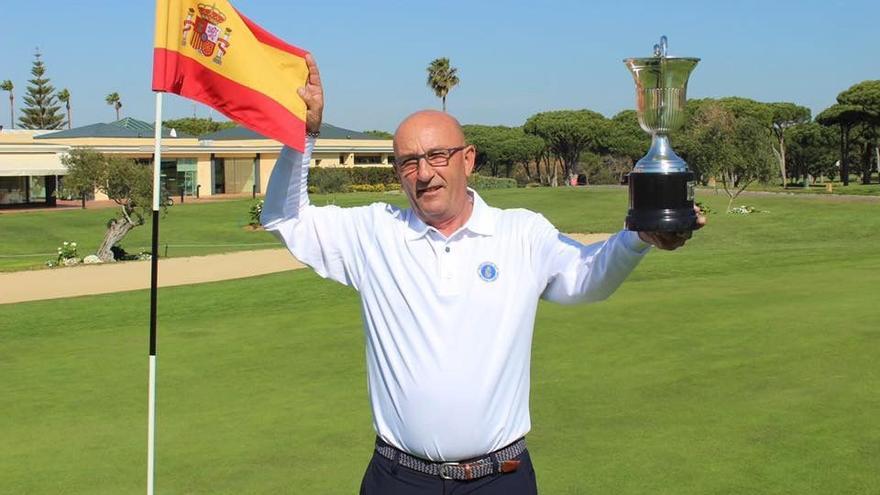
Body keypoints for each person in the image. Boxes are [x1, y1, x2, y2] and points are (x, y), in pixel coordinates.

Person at [261, 54, 706, 495]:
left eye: (437, 155)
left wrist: (637, 239)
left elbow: (585, 278)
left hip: (500, 478)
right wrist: (306, 130)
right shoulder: (374, 233)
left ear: (467, 159)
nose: (424, 173)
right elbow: (285, 216)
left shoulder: (520, 232)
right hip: (398, 479)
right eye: (409, 162)